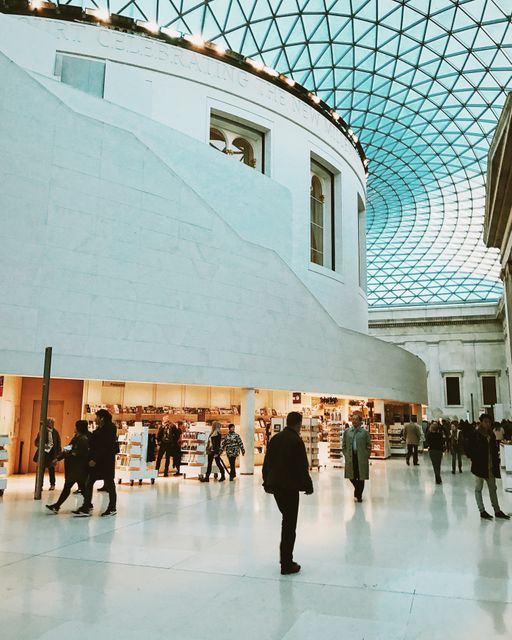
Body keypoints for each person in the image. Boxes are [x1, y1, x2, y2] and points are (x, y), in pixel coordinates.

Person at [262, 411, 313, 575]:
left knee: (286, 520)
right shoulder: (296, 441)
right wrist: (308, 485)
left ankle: (285, 560)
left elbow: (267, 462)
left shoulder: (275, 439)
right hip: (290, 488)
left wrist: (266, 482)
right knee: (289, 525)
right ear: (298, 424)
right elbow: (301, 467)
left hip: (276, 486)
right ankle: (286, 563)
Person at [73, 409, 118, 517]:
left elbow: (104, 446)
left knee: (109, 484)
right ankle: (86, 506)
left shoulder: (109, 429)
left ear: (102, 418)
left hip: (104, 461)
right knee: (90, 482)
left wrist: (95, 459)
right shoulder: (101, 428)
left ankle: (112, 508)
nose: (95, 419)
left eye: (97, 417)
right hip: (98, 461)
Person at [467, 413, 510, 520]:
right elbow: (469, 449)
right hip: (479, 467)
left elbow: (494, 451)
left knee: (493, 489)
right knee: (478, 488)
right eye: (485, 421)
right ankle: (482, 510)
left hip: (490, 467)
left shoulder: (491, 435)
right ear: (481, 422)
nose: (487, 424)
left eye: (489, 422)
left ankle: (497, 510)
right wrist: (475, 458)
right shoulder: (475, 434)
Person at [46, 420, 90, 513]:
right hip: (76, 468)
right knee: (81, 487)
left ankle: (57, 506)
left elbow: (77, 453)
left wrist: (63, 456)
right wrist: (58, 458)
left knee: (68, 487)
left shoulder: (82, 439)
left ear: (78, 428)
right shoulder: (77, 438)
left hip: (77, 468)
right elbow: (69, 448)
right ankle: (88, 504)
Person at [342, 414, 371, 502]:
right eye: (352, 419)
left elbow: (369, 445)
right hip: (351, 457)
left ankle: (359, 495)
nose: (354, 421)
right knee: (351, 476)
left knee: (361, 476)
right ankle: (357, 489)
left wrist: (366, 455)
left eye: (356, 419)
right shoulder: (347, 432)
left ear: (360, 421)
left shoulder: (364, 432)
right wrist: (346, 454)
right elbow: (344, 445)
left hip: (361, 457)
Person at [33, 417, 62, 490]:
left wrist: (58, 454)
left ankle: (52, 484)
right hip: (43, 453)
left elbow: (58, 443)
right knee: (41, 470)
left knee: (51, 469)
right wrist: (42, 445)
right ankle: (40, 485)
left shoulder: (55, 432)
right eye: (50, 422)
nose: (52, 424)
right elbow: (36, 442)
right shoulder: (42, 431)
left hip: (52, 453)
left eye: (53, 423)